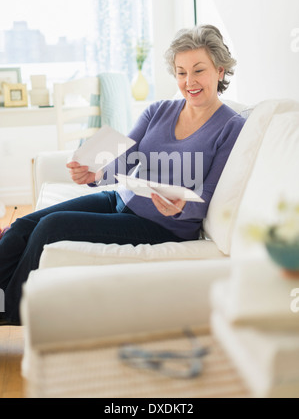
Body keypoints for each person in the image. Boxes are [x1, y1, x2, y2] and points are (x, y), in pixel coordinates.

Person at [0, 24, 245, 325]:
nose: (189, 81)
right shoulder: (159, 110)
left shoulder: (231, 126)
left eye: (198, 70)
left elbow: (206, 195)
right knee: (22, 226)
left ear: (220, 71)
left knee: (50, 228)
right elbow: (123, 162)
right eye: (181, 72)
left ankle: (8, 313)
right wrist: (93, 173)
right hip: (120, 199)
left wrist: (182, 207)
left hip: (161, 225)